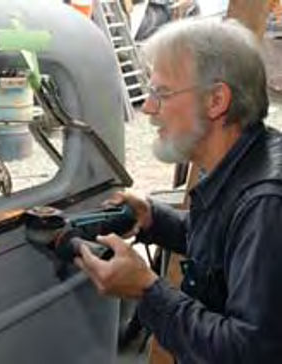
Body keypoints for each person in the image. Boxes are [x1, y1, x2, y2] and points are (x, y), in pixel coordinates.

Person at [75, 18, 282, 363]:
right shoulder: (245, 159)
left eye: (162, 93)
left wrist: (147, 291)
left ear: (217, 100)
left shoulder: (266, 205)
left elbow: (249, 352)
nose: (148, 107)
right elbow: (225, 243)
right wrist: (154, 219)